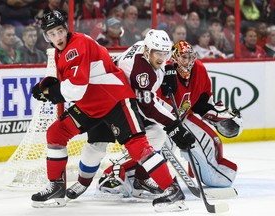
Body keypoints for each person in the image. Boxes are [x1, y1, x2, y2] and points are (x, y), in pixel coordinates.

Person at [31, 11, 194, 211]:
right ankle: (57, 186)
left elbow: (76, 87)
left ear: (66, 29)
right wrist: (46, 87)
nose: (58, 37)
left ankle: (171, 191)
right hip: (93, 102)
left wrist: (51, 93)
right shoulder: (64, 49)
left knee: (138, 145)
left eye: (60, 31)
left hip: (115, 99)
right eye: (52, 34)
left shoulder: (77, 46)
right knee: (57, 133)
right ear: (46, 37)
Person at [66, 29, 195, 200]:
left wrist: (169, 68)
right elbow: (148, 107)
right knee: (97, 145)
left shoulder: (146, 48)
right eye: (158, 54)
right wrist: (174, 125)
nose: (161, 58)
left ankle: (142, 179)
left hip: (126, 101)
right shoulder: (140, 72)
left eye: (165, 54)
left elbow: (161, 60)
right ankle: (83, 182)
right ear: (148, 51)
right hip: (105, 101)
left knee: (157, 133)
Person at [157, 40, 243, 188]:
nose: (187, 61)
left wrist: (219, 116)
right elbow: (152, 106)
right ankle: (131, 176)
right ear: (175, 57)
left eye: (190, 57)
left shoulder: (199, 70)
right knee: (160, 147)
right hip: (160, 122)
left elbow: (201, 103)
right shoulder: (163, 72)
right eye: (183, 57)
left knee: (209, 142)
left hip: (183, 118)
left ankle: (214, 175)